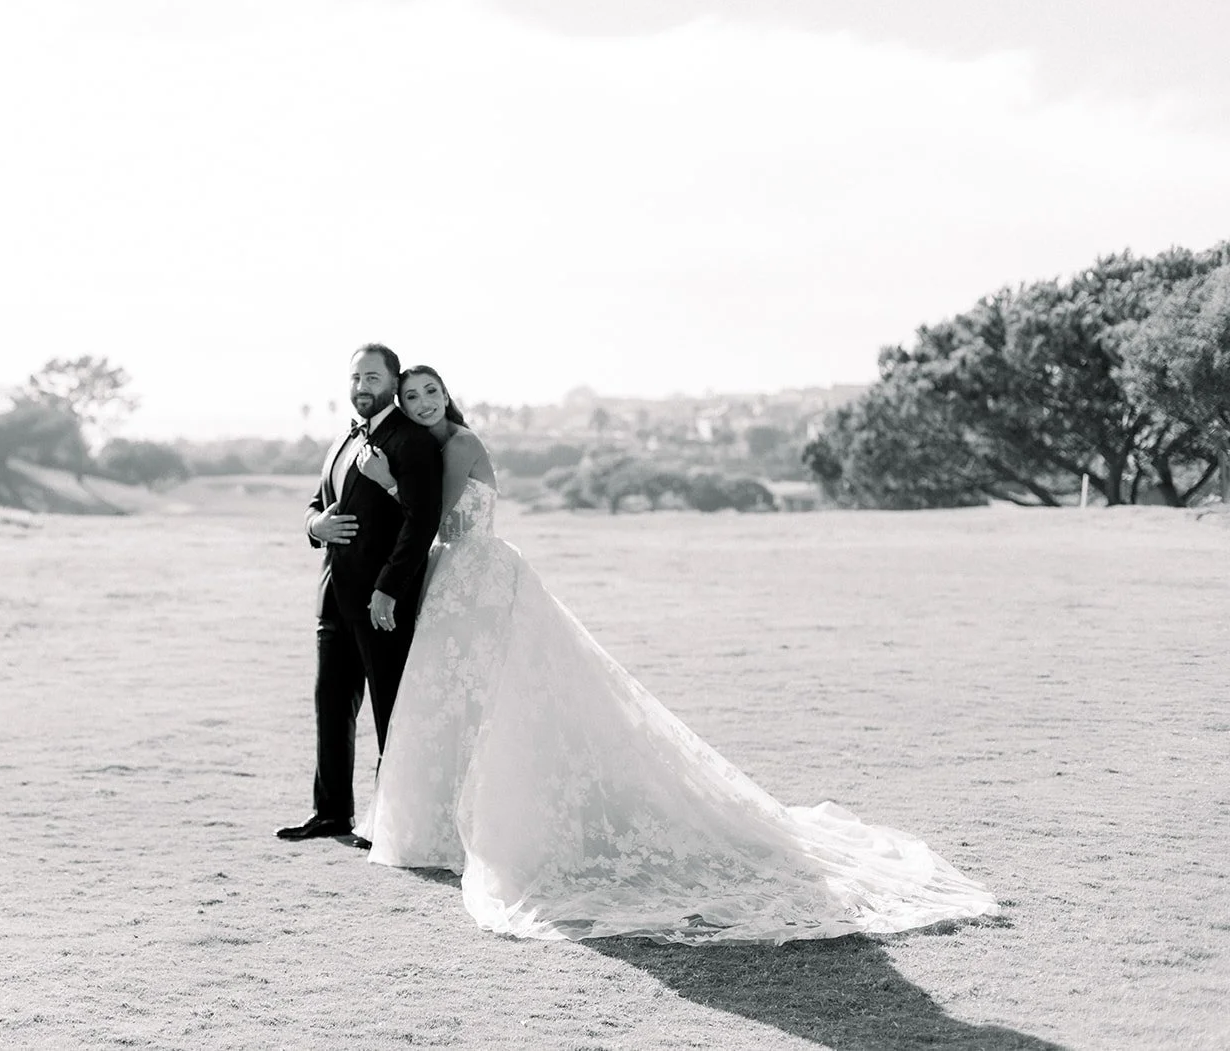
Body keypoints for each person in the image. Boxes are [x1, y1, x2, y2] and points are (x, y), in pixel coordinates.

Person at [353, 365, 999, 943]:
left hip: (482, 576)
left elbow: (438, 523)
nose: (424, 402)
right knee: (463, 702)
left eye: (431, 391)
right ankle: (445, 825)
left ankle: (498, 825)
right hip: (456, 583)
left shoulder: (460, 444)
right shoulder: (428, 448)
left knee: (501, 699)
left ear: (447, 395)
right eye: (412, 396)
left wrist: (386, 482)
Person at [276, 345, 444, 841]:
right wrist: (316, 525)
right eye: (354, 378)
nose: (361, 387)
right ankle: (331, 813)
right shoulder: (343, 439)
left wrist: (389, 589)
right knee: (331, 705)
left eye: (372, 377)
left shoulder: (412, 441)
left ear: (393, 382)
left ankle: (389, 822)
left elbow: (422, 522)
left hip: (381, 601)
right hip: (334, 596)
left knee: (390, 711)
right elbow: (316, 501)